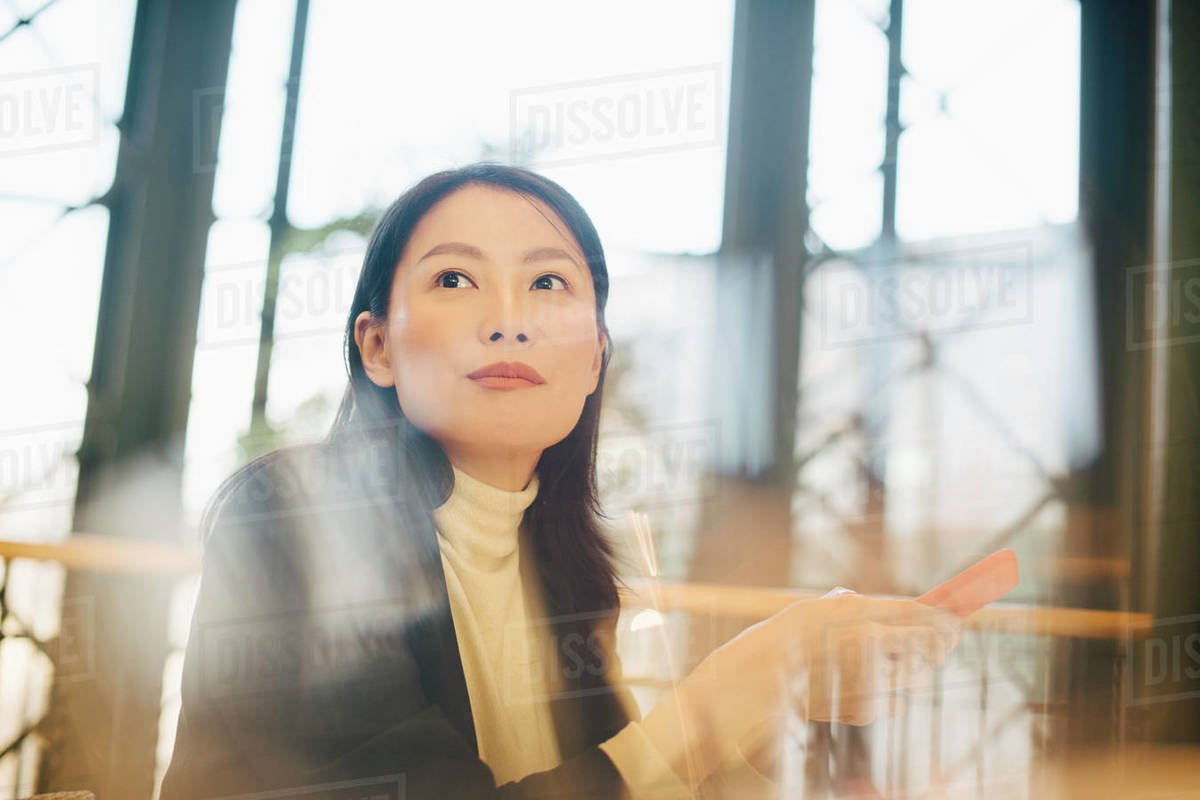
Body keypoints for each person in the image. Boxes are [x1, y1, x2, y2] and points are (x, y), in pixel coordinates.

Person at [160, 163, 962, 799]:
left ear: (595, 356)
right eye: (454, 280)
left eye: (548, 283)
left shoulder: (574, 565)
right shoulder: (293, 520)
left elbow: (618, 776)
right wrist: (717, 703)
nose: (510, 319)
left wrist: (777, 699)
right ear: (376, 349)